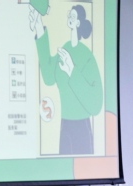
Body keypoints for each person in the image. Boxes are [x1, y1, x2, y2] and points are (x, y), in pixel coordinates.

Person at [31, 4, 102, 155]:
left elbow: (96, 105)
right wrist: (38, 26)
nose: (69, 16)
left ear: (78, 23)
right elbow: (49, 77)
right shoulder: (64, 49)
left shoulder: (87, 55)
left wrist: (72, 71)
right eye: (70, 13)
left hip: (82, 128)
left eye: (73, 15)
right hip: (65, 126)